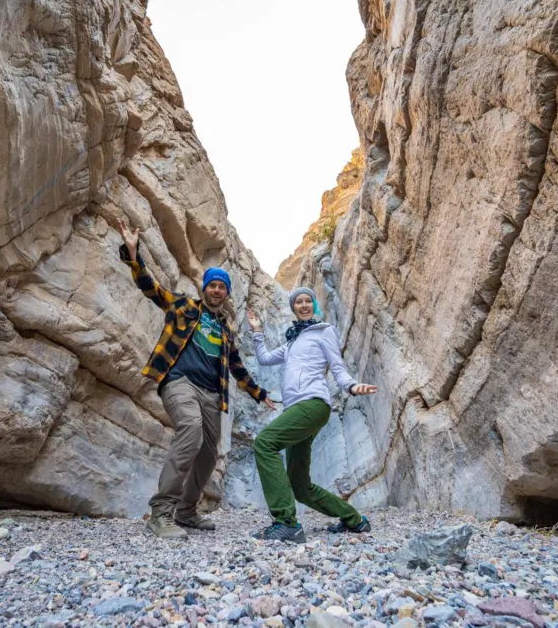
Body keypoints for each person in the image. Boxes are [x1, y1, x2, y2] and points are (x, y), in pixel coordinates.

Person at [118, 220, 275, 540]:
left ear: (226, 293)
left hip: (211, 394)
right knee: (189, 427)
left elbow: (237, 367)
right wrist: (134, 255)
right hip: (178, 381)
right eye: (213, 285)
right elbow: (153, 289)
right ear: (205, 288)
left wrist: (259, 393)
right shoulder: (185, 306)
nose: (217, 290)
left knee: (207, 454)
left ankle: (187, 512)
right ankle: (161, 512)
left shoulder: (226, 330)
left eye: (222, 287)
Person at [246, 287, 378, 543]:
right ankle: (354, 520)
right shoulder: (291, 342)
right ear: (293, 308)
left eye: (308, 301)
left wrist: (351, 385)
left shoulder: (324, 330)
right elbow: (263, 359)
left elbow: (337, 367)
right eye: (298, 302)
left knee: (265, 443)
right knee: (299, 485)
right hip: (296, 408)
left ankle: (286, 524)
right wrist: (257, 331)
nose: (304, 305)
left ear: (314, 306)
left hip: (313, 403)